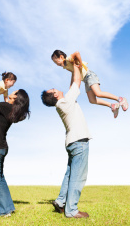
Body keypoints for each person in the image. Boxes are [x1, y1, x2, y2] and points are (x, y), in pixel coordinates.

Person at [41, 62, 91, 218]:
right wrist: (76, 64)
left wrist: (73, 68)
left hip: (72, 142)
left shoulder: (63, 103)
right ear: (55, 95)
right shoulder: (65, 102)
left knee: (70, 174)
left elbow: (72, 85)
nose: (57, 88)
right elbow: (76, 83)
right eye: (54, 89)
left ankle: (61, 201)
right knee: (78, 177)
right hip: (79, 142)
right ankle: (71, 210)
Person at [0, 88, 30, 218]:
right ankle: (8, 207)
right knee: (0, 178)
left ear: (16, 97)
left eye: (14, 91)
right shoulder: (10, 109)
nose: (11, 91)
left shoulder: (6, 106)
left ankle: (2, 211)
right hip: (1, 147)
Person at [51, 50, 128, 118]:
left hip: (89, 75)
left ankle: (121, 99)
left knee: (98, 93)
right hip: (85, 80)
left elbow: (77, 53)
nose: (56, 64)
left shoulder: (68, 59)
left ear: (61, 57)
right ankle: (112, 105)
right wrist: (71, 85)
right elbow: (74, 73)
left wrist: (80, 64)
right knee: (92, 100)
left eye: (55, 61)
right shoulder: (66, 67)